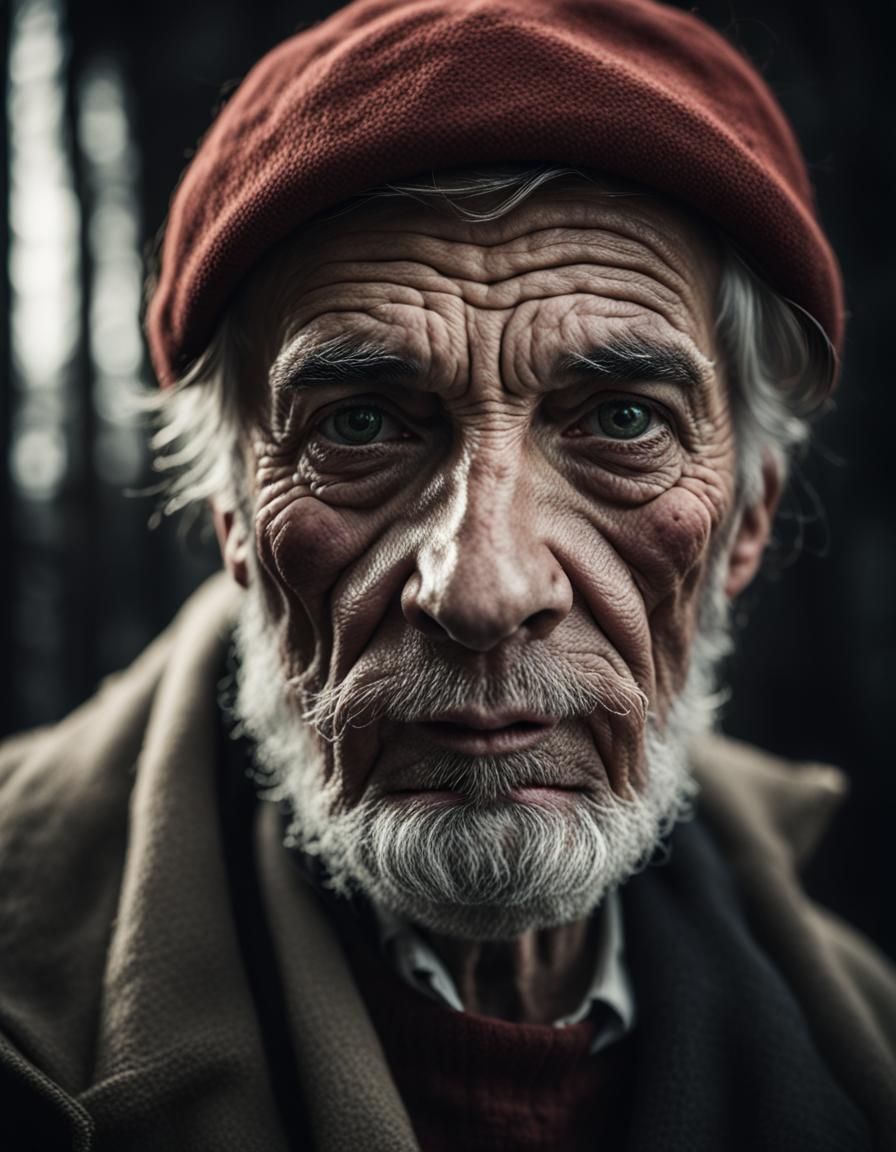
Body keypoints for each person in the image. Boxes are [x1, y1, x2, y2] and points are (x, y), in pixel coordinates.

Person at [2, 0, 895, 1148]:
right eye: (363, 424)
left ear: (747, 517)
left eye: (621, 419)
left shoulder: (864, 1040)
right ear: (234, 513)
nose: (482, 590)